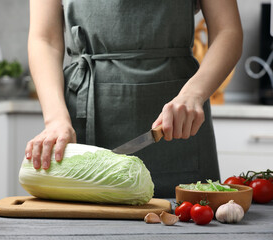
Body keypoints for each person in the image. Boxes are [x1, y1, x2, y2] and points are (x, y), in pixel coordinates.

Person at [25, 0, 243, 197]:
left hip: (179, 122)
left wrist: (193, 94)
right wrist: (55, 120)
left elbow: (228, 31)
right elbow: (45, 39)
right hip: (83, 115)